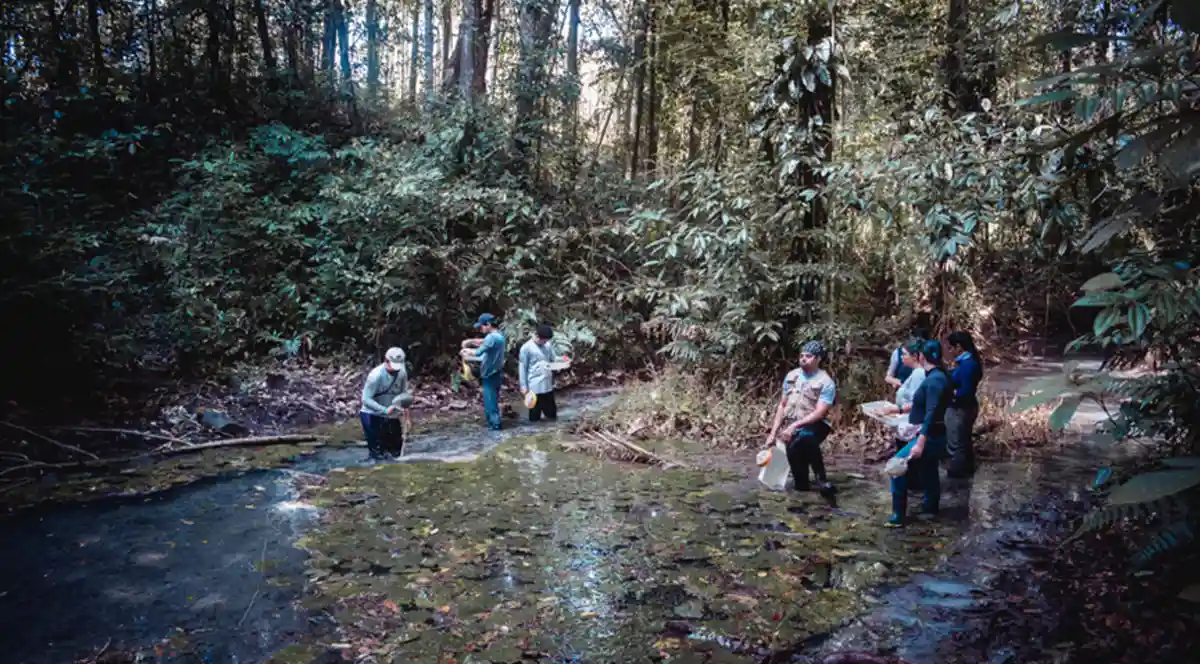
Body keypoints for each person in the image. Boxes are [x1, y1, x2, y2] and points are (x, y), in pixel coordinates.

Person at [886, 339, 953, 527]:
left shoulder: (934, 380)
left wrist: (920, 443)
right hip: (935, 434)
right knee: (929, 469)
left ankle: (898, 516)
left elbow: (931, 413)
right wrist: (898, 410)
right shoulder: (938, 376)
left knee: (897, 468)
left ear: (922, 356)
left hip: (930, 435)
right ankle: (930, 507)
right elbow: (921, 406)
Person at [765, 340, 837, 498]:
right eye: (802, 355)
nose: (803, 358)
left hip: (816, 424)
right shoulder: (792, 376)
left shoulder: (826, 382)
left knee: (805, 437)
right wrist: (773, 433)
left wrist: (794, 427)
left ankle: (821, 479)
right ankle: (802, 494)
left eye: (809, 356)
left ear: (818, 359)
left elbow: (819, 413)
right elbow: (782, 406)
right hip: (791, 424)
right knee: (799, 476)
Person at [881, 339, 928, 491]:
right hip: (906, 422)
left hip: (912, 424)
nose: (901, 357)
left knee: (902, 464)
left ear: (915, 356)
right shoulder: (916, 373)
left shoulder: (919, 374)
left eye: (905, 355)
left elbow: (917, 402)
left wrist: (895, 410)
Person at [360, 347, 412, 461]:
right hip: (372, 415)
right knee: (378, 454)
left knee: (396, 453)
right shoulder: (376, 376)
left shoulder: (402, 374)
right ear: (386, 361)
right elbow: (365, 399)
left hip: (392, 415)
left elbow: (403, 395)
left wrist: (407, 418)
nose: (395, 370)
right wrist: (384, 410)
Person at [946, 330, 984, 478]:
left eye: (951, 348)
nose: (950, 351)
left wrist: (950, 393)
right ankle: (968, 473)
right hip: (967, 407)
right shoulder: (968, 361)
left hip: (961, 408)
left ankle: (956, 477)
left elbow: (965, 391)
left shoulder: (968, 365)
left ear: (959, 347)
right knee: (964, 441)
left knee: (956, 445)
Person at [461, 313, 506, 431]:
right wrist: (471, 341)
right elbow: (484, 344)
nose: (481, 329)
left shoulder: (492, 337)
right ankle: (493, 428)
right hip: (497, 373)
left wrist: (466, 350)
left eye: (482, 327)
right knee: (492, 403)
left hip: (490, 374)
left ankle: (496, 430)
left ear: (489, 325)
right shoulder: (499, 335)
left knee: (490, 405)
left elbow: (478, 352)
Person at [519, 324, 561, 422]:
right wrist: (523, 386)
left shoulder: (547, 345)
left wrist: (563, 359)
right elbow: (522, 367)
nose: (545, 342)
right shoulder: (526, 348)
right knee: (534, 417)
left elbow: (553, 359)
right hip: (534, 387)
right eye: (544, 340)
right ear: (537, 336)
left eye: (547, 340)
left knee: (552, 415)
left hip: (547, 385)